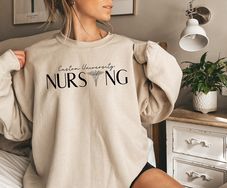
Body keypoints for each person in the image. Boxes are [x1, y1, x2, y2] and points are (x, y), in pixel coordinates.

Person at [0, 0, 183, 187]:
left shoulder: (127, 50)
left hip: (131, 170)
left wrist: (155, 56)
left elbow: (152, 112)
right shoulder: (37, 58)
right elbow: (18, 129)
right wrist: (1, 71)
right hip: (62, 177)